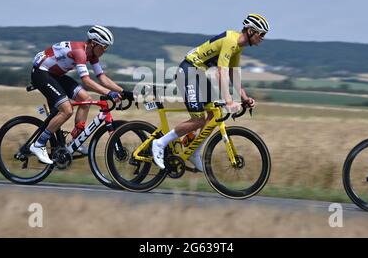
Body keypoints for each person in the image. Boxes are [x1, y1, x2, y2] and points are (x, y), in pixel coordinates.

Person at [151, 14, 270, 171]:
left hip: (199, 74)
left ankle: (194, 151)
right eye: (261, 34)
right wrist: (229, 101)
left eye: (264, 35)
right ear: (250, 31)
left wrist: (245, 98)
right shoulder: (231, 41)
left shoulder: (238, 47)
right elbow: (222, 73)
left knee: (214, 115)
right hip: (188, 70)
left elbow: (234, 74)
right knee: (198, 119)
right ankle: (160, 143)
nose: (262, 38)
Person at [30, 25, 131, 164]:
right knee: (66, 110)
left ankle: (75, 141)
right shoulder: (80, 52)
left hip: (55, 75)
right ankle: (38, 144)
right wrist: (109, 93)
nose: (105, 50)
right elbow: (87, 81)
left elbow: (102, 78)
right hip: (41, 74)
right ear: (94, 43)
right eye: (104, 47)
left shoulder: (92, 55)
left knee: (86, 99)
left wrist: (122, 91)